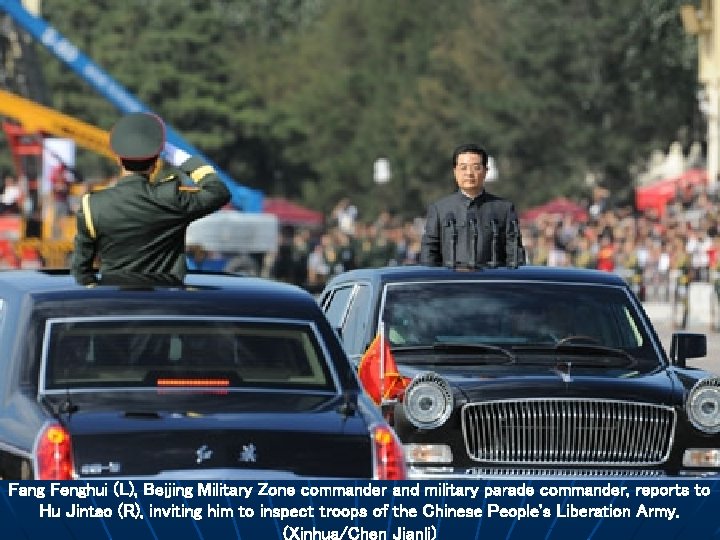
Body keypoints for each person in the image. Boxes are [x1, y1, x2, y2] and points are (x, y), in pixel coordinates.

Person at [71, 112, 231, 286]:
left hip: (115, 306)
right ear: (156, 163)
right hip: (168, 304)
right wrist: (176, 155)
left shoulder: (92, 206)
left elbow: (81, 272)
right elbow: (218, 192)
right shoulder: (171, 198)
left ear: (118, 159)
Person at [420, 143, 524, 268]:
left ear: (485, 171)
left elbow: (514, 255)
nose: (469, 173)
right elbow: (429, 254)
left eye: (476, 167)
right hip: (451, 283)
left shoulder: (503, 209)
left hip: (492, 282)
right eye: (463, 168)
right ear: (455, 171)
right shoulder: (440, 209)